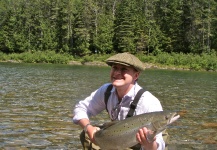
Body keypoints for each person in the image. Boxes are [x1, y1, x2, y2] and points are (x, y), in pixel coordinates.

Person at [73, 52, 165, 150]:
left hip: (142, 145)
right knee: (86, 135)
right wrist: (88, 128)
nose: (117, 73)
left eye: (124, 69)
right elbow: (81, 108)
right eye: (115, 68)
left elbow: (160, 145)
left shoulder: (149, 102)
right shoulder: (106, 90)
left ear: (136, 76)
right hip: (118, 137)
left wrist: (149, 145)